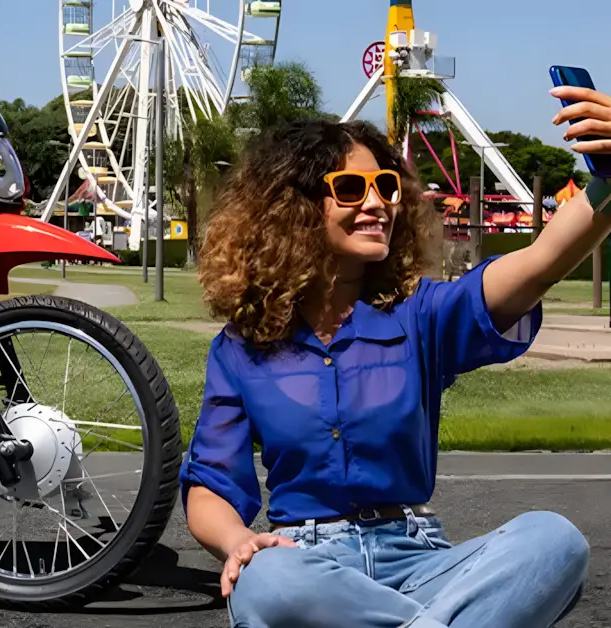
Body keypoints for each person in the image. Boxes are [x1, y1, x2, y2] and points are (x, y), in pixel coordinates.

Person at [180, 85, 611, 627]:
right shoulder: (242, 349)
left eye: (386, 186)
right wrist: (239, 540)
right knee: (264, 580)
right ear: (295, 208)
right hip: (309, 567)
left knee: (555, 540)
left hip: (423, 560)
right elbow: (211, 484)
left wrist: (608, 179)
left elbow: (540, 263)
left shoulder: (418, 316)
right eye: (353, 188)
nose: (378, 202)